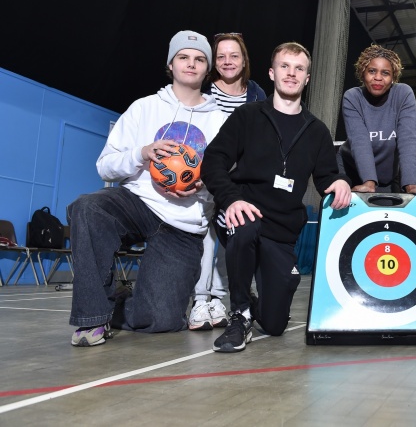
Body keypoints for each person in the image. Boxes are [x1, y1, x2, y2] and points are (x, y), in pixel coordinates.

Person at [68, 31, 226, 347]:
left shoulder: (220, 121)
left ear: (207, 70)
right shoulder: (144, 108)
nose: (191, 64)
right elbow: (105, 165)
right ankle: (92, 320)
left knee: (159, 321)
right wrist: (142, 153)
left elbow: (226, 183)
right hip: (137, 203)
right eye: (183, 57)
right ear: (171, 63)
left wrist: (202, 185)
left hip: (182, 224)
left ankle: (124, 300)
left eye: (199, 59)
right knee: (88, 207)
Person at [201, 42, 352, 353]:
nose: (291, 73)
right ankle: (239, 316)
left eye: (299, 68)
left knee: (274, 325)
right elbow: (213, 161)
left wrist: (339, 183)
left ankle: (258, 304)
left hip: (281, 231)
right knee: (244, 226)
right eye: (285, 66)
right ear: (272, 73)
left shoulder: (317, 131)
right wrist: (231, 199)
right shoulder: (247, 116)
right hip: (244, 212)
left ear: (307, 78)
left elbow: (326, 176)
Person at [188, 33, 267, 331]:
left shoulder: (257, 94)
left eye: (234, 56)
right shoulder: (203, 91)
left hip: (240, 185)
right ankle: (200, 300)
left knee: (231, 238)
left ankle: (222, 299)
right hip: (203, 179)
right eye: (221, 56)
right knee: (205, 236)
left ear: (244, 60)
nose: (227, 61)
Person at [337, 44, 416, 194]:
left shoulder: (403, 94)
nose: (378, 78)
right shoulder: (352, 97)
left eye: (385, 73)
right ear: (362, 73)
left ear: (393, 77)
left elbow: (408, 139)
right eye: (372, 71)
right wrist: (369, 183)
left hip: (388, 176)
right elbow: (359, 140)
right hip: (351, 169)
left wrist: (411, 184)